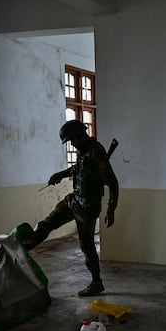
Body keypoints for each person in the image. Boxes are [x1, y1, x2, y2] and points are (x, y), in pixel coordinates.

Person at [21, 120, 119, 297]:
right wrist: (61, 174)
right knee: (48, 222)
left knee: (87, 246)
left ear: (81, 136)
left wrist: (111, 209)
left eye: (72, 140)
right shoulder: (83, 152)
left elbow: (112, 183)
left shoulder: (96, 152)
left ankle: (96, 283)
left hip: (88, 207)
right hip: (74, 200)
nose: (72, 144)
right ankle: (24, 247)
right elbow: (78, 168)